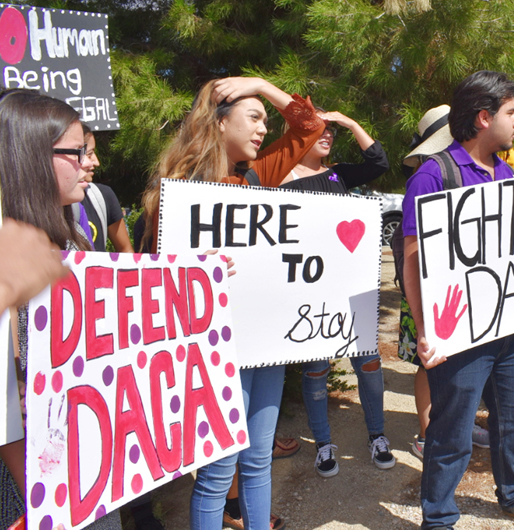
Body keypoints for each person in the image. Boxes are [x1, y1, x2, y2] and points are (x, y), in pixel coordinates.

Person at [140, 76, 325, 530]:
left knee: (258, 460)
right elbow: (155, 279)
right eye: (254, 117)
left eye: (265, 119)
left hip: (265, 340)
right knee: (218, 473)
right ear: (219, 124)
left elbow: (309, 128)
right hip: (215, 347)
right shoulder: (177, 192)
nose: (264, 129)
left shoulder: (257, 174)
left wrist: (260, 84)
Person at [402, 71, 514, 530]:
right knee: (452, 431)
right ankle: (438, 516)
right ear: (483, 117)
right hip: (459, 335)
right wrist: (424, 331)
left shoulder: (510, 177)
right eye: (511, 113)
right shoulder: (434, 175)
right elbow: (413, 265)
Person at [0, 89, 121, 530]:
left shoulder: (73, 240)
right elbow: (6, 403)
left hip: (92, 463)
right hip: (45, 484)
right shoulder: (8, 257)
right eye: (79, 151)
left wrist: (198, 279)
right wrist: (40, 494)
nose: (92, 162)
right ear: (32, 156)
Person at [279, 109, 395, 476]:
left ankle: (377, 435)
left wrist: (350, 121)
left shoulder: (339, 173)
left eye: (331, 131)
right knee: (316, 370)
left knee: (369, 363)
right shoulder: (278, 180)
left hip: (351, 289)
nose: (328, 136)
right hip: (309, 293)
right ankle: (324, 443)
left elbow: (378, 160)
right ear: (297, 135)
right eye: (318, 130)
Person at [398, 105, 492, 460]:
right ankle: (427, 432)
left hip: (459, 286)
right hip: (427, 286)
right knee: (429, 363)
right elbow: (413, 249)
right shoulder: (427, 176)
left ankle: (457, 424)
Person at [77, 125, 134, 253]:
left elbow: (126, 251)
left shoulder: (102, 196)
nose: (96, 162)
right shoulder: (36, 206)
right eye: (89, 154)